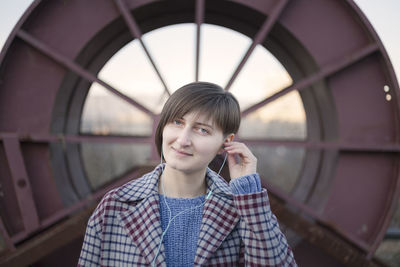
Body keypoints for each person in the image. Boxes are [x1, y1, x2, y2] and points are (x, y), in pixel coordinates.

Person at [78, 82, 297, 266]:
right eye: (177, 122)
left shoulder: (240, 209)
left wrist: (248, 192)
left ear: (226, 143)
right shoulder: (115, 205)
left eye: (202, 130)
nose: (183, 140)